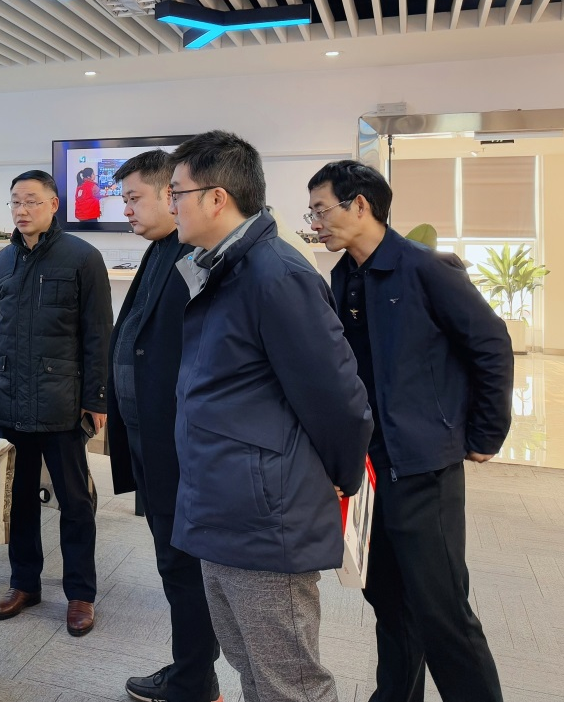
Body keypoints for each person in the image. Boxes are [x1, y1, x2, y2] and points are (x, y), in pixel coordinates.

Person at [167, 131, 372, 702]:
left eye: (177, 192)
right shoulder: (221, 268)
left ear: (217, 198)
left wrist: (341, 475)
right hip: (223, 501)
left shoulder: (275, 274)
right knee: (251, 668)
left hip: (264, 512)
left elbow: (338, 398)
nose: (169, 204)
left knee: (290, 682)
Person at [307, 161, 512, 702]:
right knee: (388, 600)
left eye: (321, 210)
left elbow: (491, 344)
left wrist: (485, 434)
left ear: (360, 205)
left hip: (423, 466)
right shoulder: (344, 276)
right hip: (371, 469)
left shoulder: (426, 268)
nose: (315, 223)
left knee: (442, 611)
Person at [104, 150, 220, 702]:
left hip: (179, 444)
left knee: (184, 565)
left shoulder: (197, 257)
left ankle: (193, 680)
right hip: (149, 439)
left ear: (170, 194)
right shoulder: (158, 251)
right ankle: (192, 673)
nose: (126, 209)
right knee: (172, 562)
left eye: (134, 198)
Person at [0, 169, 112, 637]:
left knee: (75, 502)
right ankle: (24, 584)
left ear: (54, 205)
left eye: (32, 201)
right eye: (15, 202)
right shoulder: (1, 262)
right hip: (9, 403)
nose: (22, 210)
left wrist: (97, 398)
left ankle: (80, 593)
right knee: (18, 500)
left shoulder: (83, 257)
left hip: (62, 403)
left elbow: (98, 334)